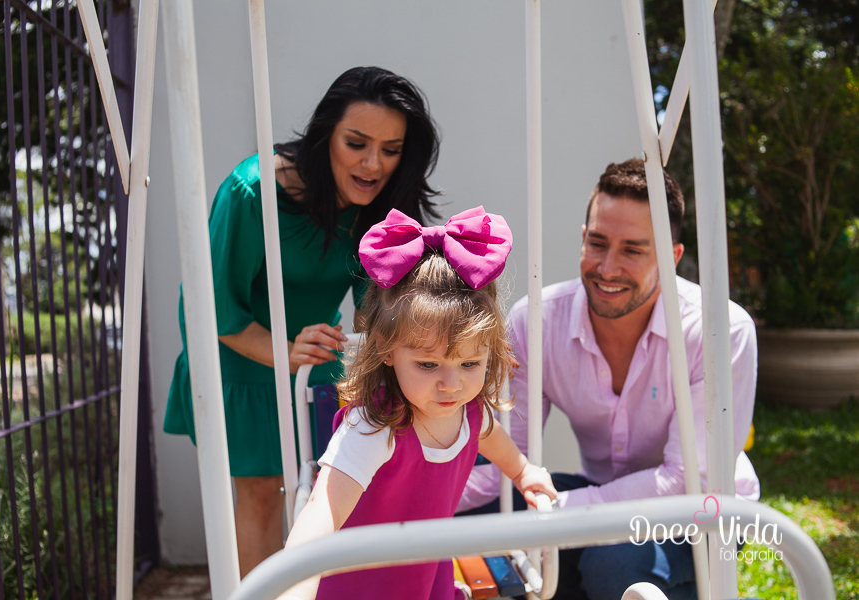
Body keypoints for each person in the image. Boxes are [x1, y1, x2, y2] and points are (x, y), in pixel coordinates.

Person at [163, 66, 442, 577]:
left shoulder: (378, 206)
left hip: (314, 363)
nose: (373, 163)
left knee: (318, 495)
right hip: (238, 362)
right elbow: (211, 310)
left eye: (391, 149)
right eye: (356, 143)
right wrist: (286, 351)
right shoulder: (254, 193)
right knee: (265, 497)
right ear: (324, 137)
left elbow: (370, 309)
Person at [458, 159, 760, 600]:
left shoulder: (720, 329)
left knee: (613, 565)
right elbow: (509, 456)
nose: (608, 268)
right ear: (583, 239)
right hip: (600, 492)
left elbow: (683, 479)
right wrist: (411, 508)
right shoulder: (536, 321)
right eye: (597, 243)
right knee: (476, 524)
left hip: (701, 509)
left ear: (673, 258)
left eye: (633, 250)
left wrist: (563, 512)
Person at [277, 207, 558, 600]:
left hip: (427, 572)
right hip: (360, 585)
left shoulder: (470, 411)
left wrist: (523, 471)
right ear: (386, 350)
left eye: (470, 363)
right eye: (428, 364)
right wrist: (295, 586)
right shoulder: (374, 425)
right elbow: (322, 511)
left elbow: (488, 435)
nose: (451, 384)